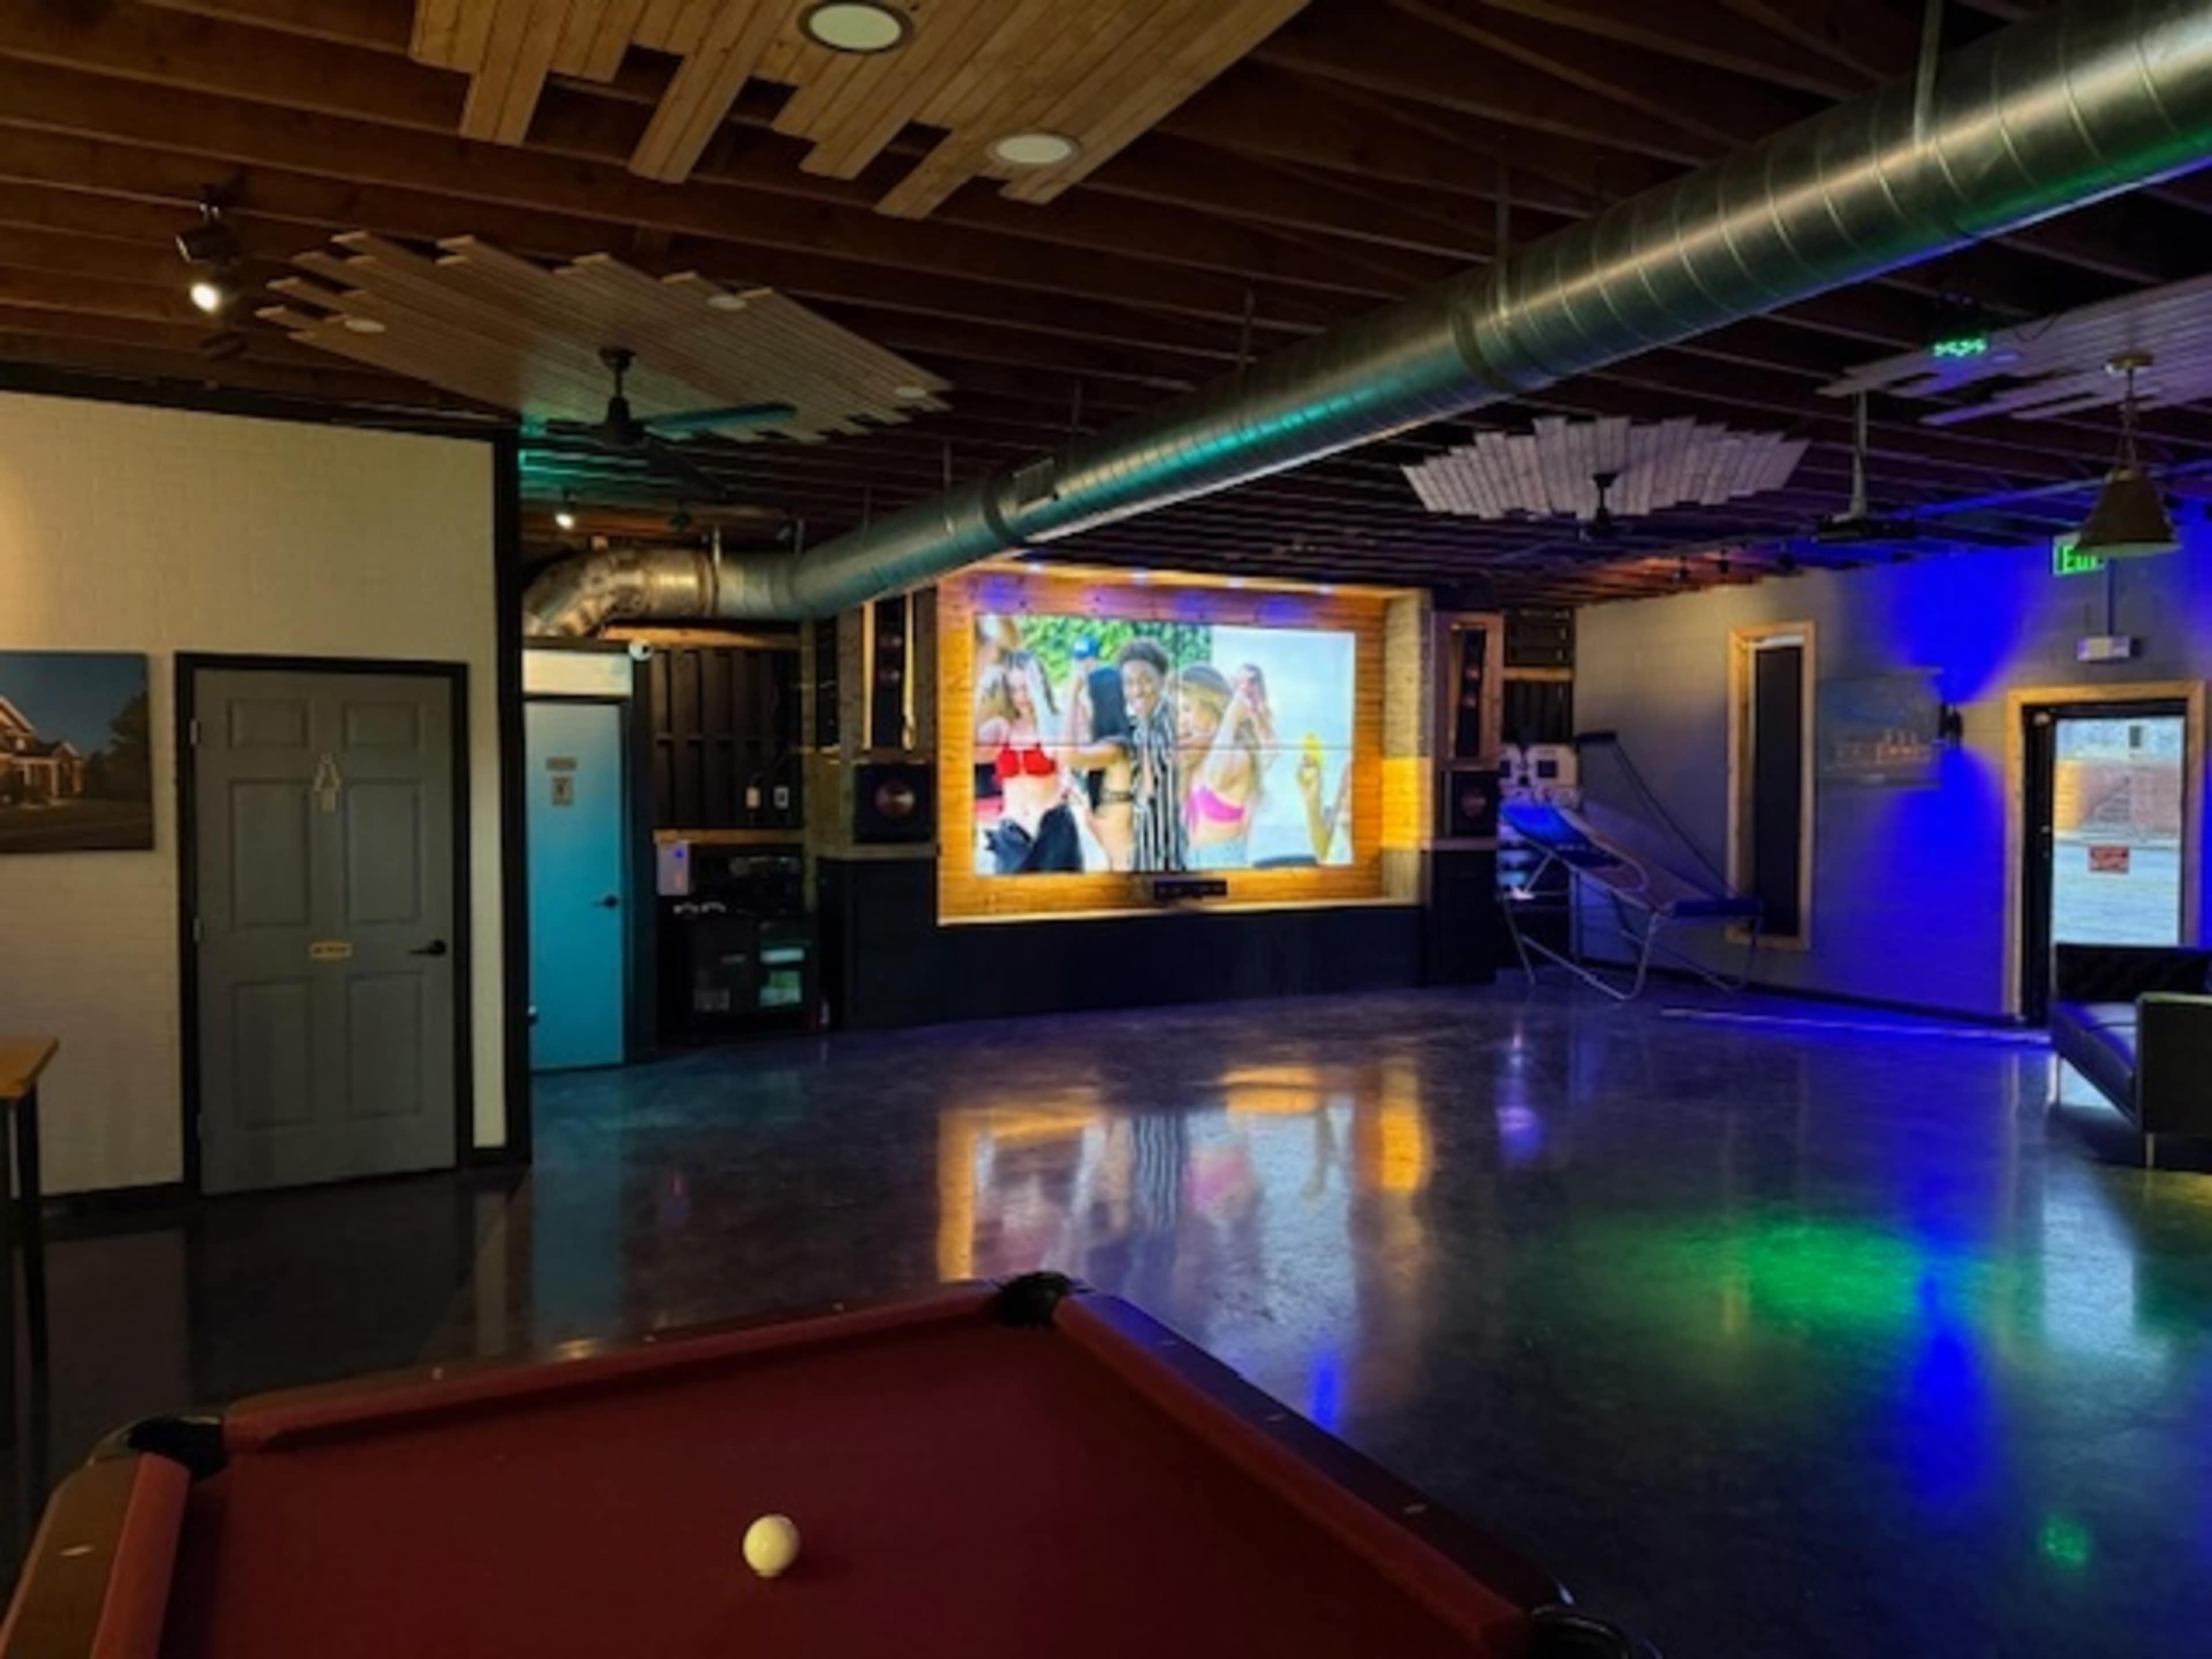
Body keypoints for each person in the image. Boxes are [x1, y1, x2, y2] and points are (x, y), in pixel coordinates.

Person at [975, 650, 1081, 874]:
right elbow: (967, 747)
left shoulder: (1057, 722)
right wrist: (982, 687)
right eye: (1014, 689)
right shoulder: (1003, 726)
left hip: (1053, 829)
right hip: (1013, 832)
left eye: (1027, 687)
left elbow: (1052, 749)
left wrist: (1039, 697)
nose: (1022, 696)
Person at [1176, 663, 1265, 870]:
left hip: (1226, 868)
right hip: (1193, 867)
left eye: (1187, 709)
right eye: (1178, 711)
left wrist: (1231, 717)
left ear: (1210, 706)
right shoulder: (1196, 756)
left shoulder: (1238, 754)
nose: (1181, 719)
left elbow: (1215, 778)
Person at [1116, 638, 1183, 873]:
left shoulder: (1174, 724)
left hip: (1175, 863)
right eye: (1129, 683)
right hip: (1145, 862)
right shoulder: (1137, 731)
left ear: (1163, 680)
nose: (1137, 690)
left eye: (1145, 680)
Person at [1062, 660, 1137, 871]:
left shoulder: (1116, 749)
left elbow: (1067, 755)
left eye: (1084, 701)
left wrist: (1072, 695)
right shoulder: (1109, 749)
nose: (1080, 709)